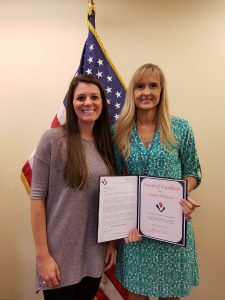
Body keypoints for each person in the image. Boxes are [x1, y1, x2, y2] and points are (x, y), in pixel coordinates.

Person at [114, 63, 201, 300]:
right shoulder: (119, 131)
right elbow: (112, 180)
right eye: (140, 86)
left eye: (153, 85)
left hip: (171, 226)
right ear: (132, 92)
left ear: (162, 91)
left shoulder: (181, 128)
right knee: (136, 295)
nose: (146, 92)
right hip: (135, 231)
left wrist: (183, 194)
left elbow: (193, 171)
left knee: (170, 296)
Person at [30, 74, 117, 300]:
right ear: (71, 104)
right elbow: (37, 198)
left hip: (93, 256)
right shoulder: (52, 140)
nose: (88, 103)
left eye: (94, 97)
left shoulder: (106, 145)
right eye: (81, 98)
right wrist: (43, 257)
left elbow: (108, 201)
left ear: (102, 103)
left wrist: (110, 242)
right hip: (58, 259)